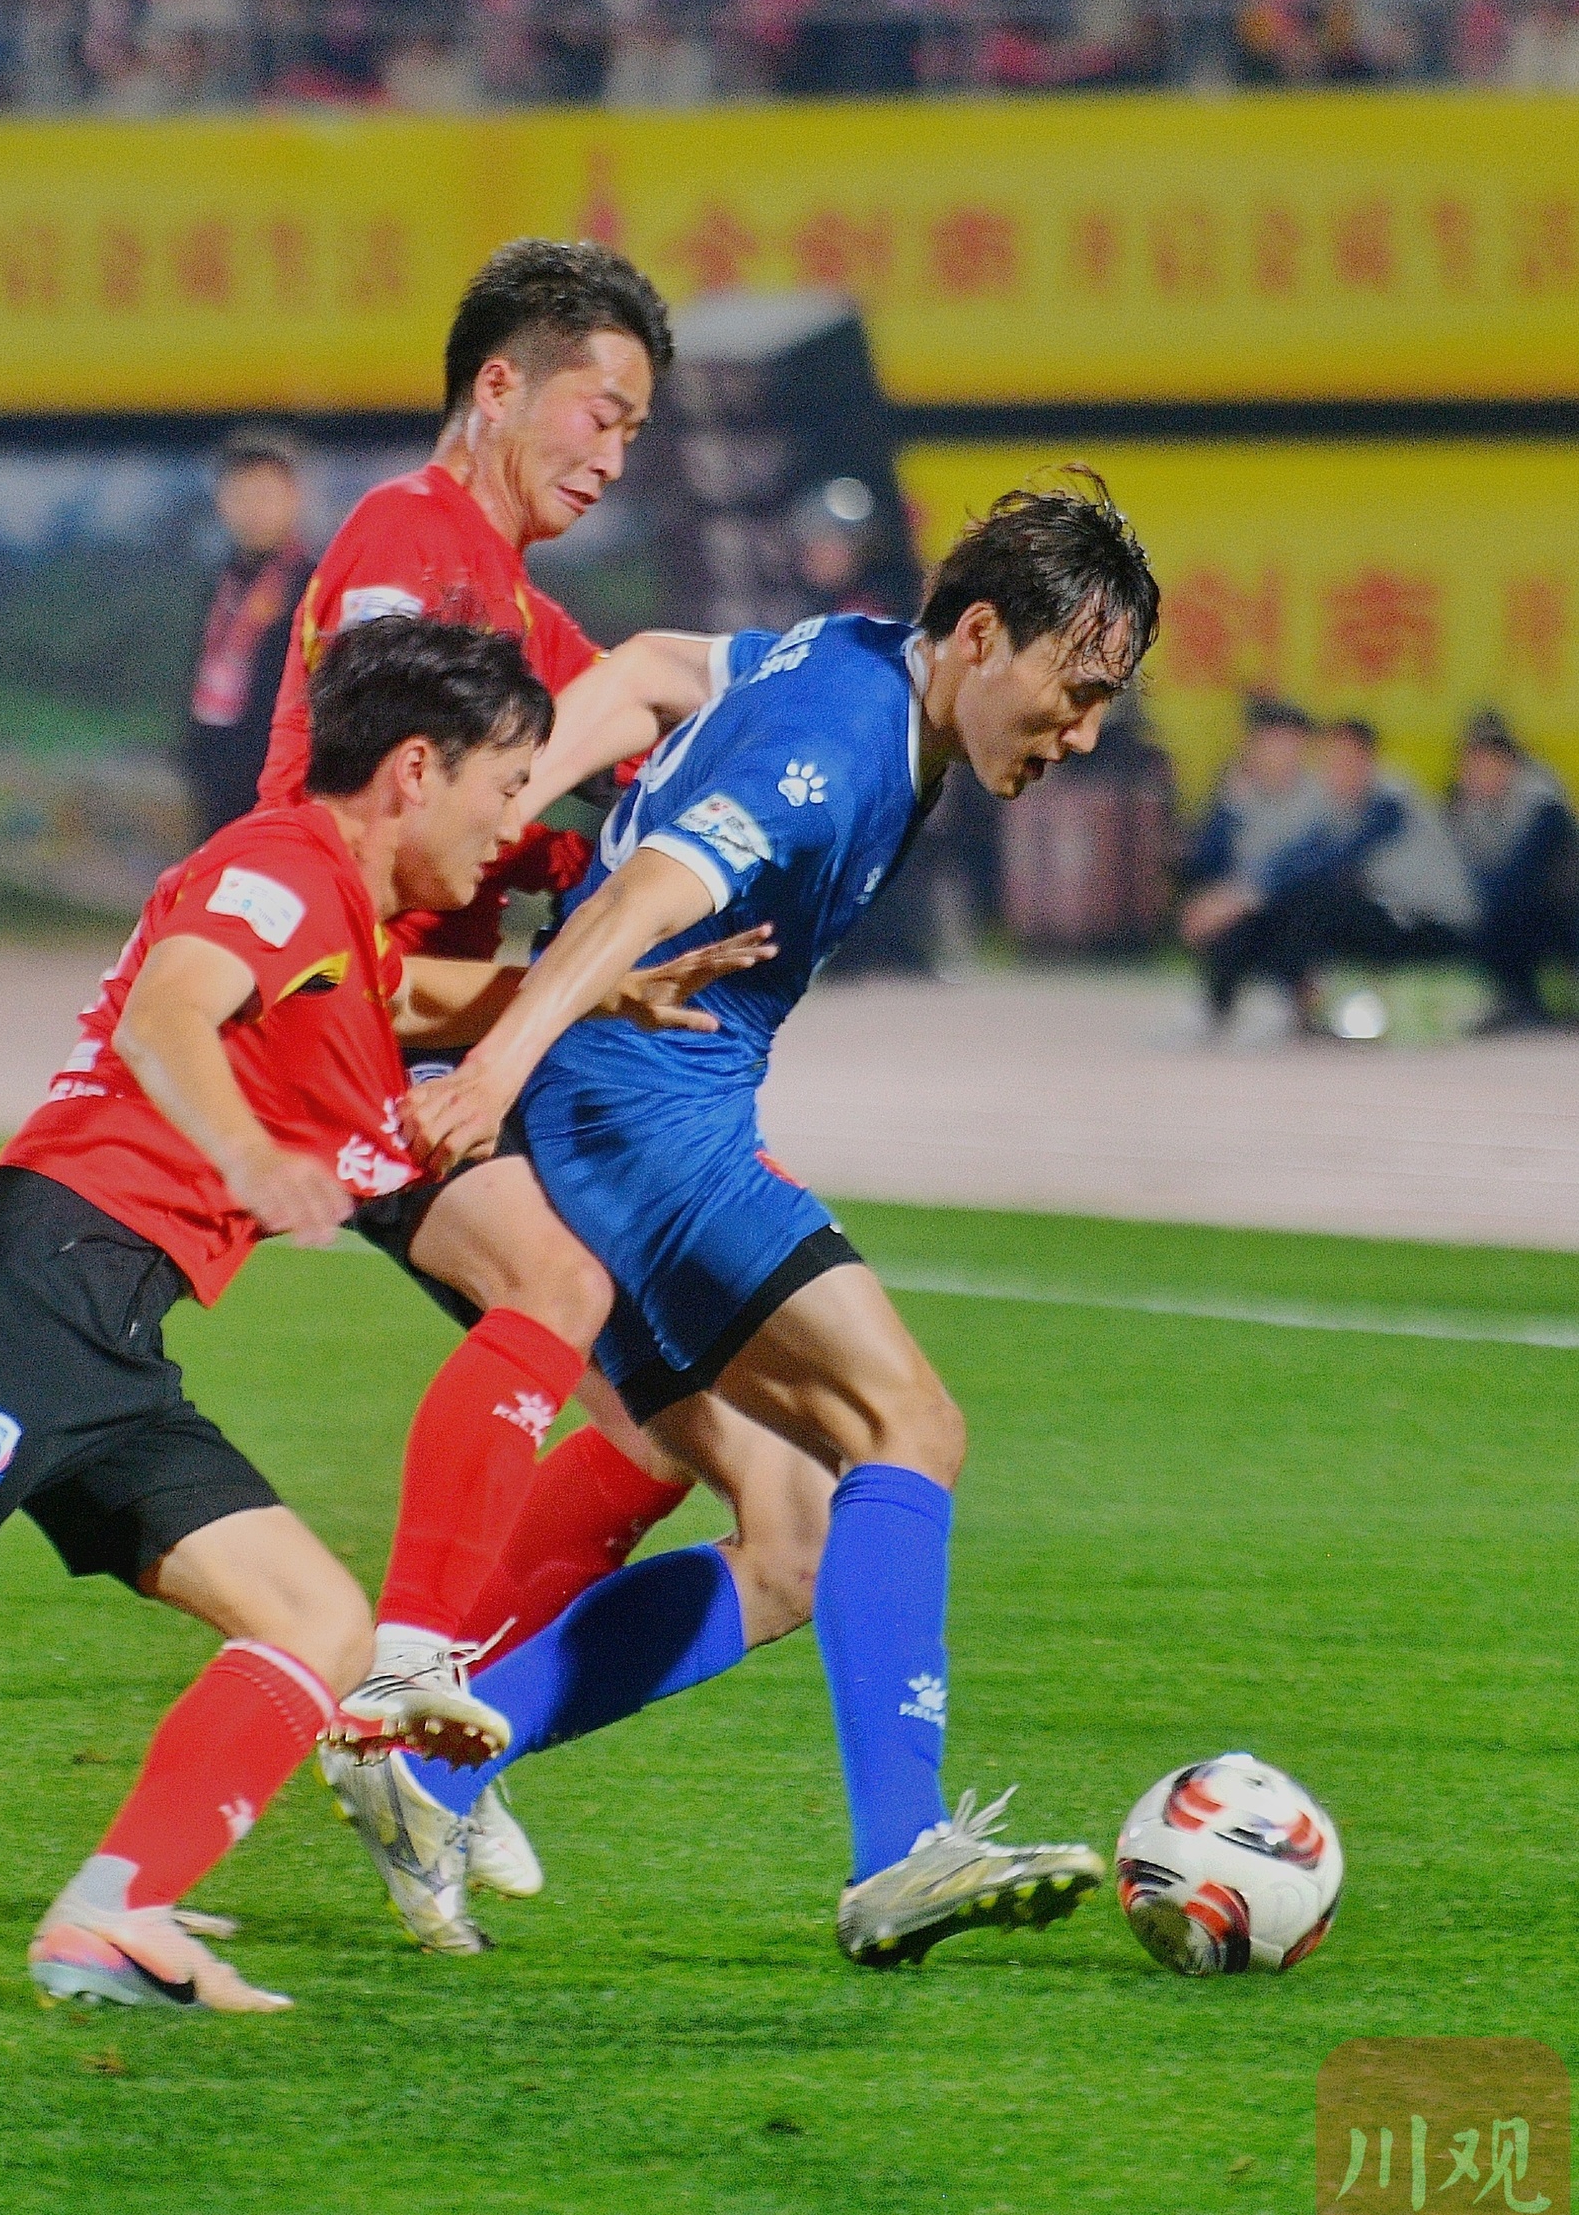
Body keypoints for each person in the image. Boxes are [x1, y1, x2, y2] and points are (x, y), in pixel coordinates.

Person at [331, 473, 1160, 1970]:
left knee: (786, 1539)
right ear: (982, 635)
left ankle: (433, 1769)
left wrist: (522, 787)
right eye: (1076, 689)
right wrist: (495, 1069)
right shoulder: (835, 748)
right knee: (910, 1424)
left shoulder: (849, 653)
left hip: (641, 1102)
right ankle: (901, 1850)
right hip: (640, 1113)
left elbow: (657, 664)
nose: (1082, 733)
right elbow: (636, 903)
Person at [0, 617, 757, 2014]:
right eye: (504, 783)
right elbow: (169, 1011)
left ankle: (110, 1918)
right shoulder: (279, 866)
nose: (512, 822)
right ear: (414, 769)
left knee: (316, 1620)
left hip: (107, 1322)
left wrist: (600, 991)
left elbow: (412, 992)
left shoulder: (338, 917)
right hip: (33, 1275)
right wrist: (243, 1154)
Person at [254, 238, 839, 1930]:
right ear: (500, 384)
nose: (615, 454)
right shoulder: (404, 543)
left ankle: (445, 1746)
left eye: (639, 432)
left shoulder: (520, 609)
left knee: (748, 1491)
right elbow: (375, 797)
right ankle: (407, 1684)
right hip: (357, 1017)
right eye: (602, 411)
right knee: (558, 1284)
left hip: (466, 1028)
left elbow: (647, 725)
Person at [1188, 717, 1479, 1030]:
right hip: (1394, 916)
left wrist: (1244, 897)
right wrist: (1235, 895)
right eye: (1330, 764)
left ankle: (1302, 1003)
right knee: (1270, 912)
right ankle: (1229, 1006)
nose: (1335, 772)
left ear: (1367, 759)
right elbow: (1298, 854)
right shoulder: (1344, 806)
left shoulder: (1388, 801)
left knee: (1317, 903)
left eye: (1345, 762)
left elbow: (1334, 859)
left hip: (1435, 924)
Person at [182, 429, 315, 843]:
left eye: (265, 495)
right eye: (240, 496)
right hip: (216, 782)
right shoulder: (219, 583)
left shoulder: (313, 585)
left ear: (293, 497)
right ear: (221, 502)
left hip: (283, 792)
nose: (253, 511)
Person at [1178, 693, 1327, 1020]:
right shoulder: (1237, 794)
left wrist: (1242, 897)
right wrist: (1229, 811)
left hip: (1289, 907)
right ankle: (1219, 1007)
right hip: (1244, 912)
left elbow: (1309, 864)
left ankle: (1302, 1001)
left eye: (1289, 743)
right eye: (1271, 742)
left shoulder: (1319, 796)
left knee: (1307, 905)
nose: (1280, 753)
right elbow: (1205, 861)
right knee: (1217, 914)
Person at [1448, 711, 1579, 1030]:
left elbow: (1515, 876)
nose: (1478, 771)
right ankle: (1522, 1004)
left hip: (1560, 909)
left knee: (1499, 913)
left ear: (1510, 761)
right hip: (1521, 911)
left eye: (1489, 760)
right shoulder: (1463, 804)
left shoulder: (1542, 803)